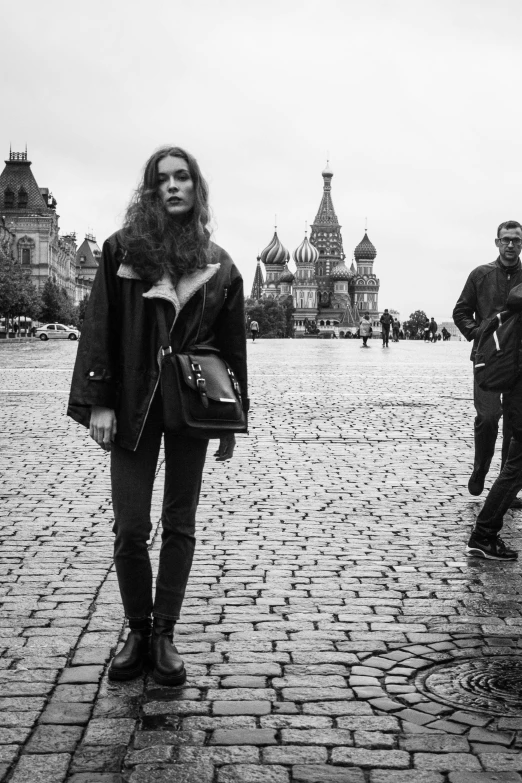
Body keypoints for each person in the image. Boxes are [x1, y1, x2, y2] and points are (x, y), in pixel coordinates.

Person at [67, 146, 248, 685]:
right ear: (149, 191)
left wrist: (233, 419)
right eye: (162, 179)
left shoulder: (220, 263)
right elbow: (100, 325)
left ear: (196, 188)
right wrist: (99, 400)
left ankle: (165, 632)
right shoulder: (121, 251)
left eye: (182, 178)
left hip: (192, 408)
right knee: (130, 526)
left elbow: (233, 348)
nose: (173, 187)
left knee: (179, 524)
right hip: (132, 404)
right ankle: (138, 630)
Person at [453, 219, 522, 513]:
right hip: (488, 361)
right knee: (488, 417)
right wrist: (477, 333)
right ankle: (481, 467)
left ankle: (505, 486)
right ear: (497, 242)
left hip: (520, 362)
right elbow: (461, 311)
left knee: (516, 428)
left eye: (516, 240)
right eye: (506, 239)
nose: (510, 245)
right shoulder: (481, 275)